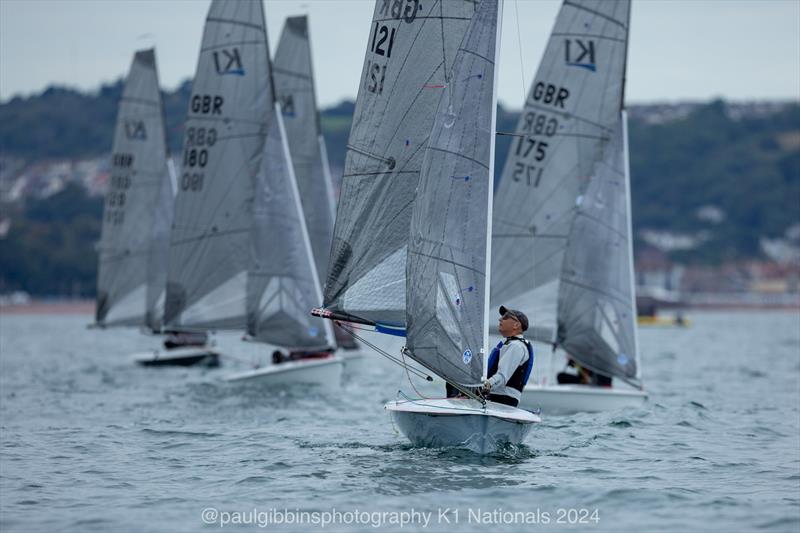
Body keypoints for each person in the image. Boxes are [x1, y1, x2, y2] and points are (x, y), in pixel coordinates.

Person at [480, 306, 535, 407]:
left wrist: (484, 385)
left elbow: (502, 376)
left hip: (503, 399)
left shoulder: (516, 346)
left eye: (505, 317)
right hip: (495, 396)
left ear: (516, 325)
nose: (500, 319)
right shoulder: (507, 343)